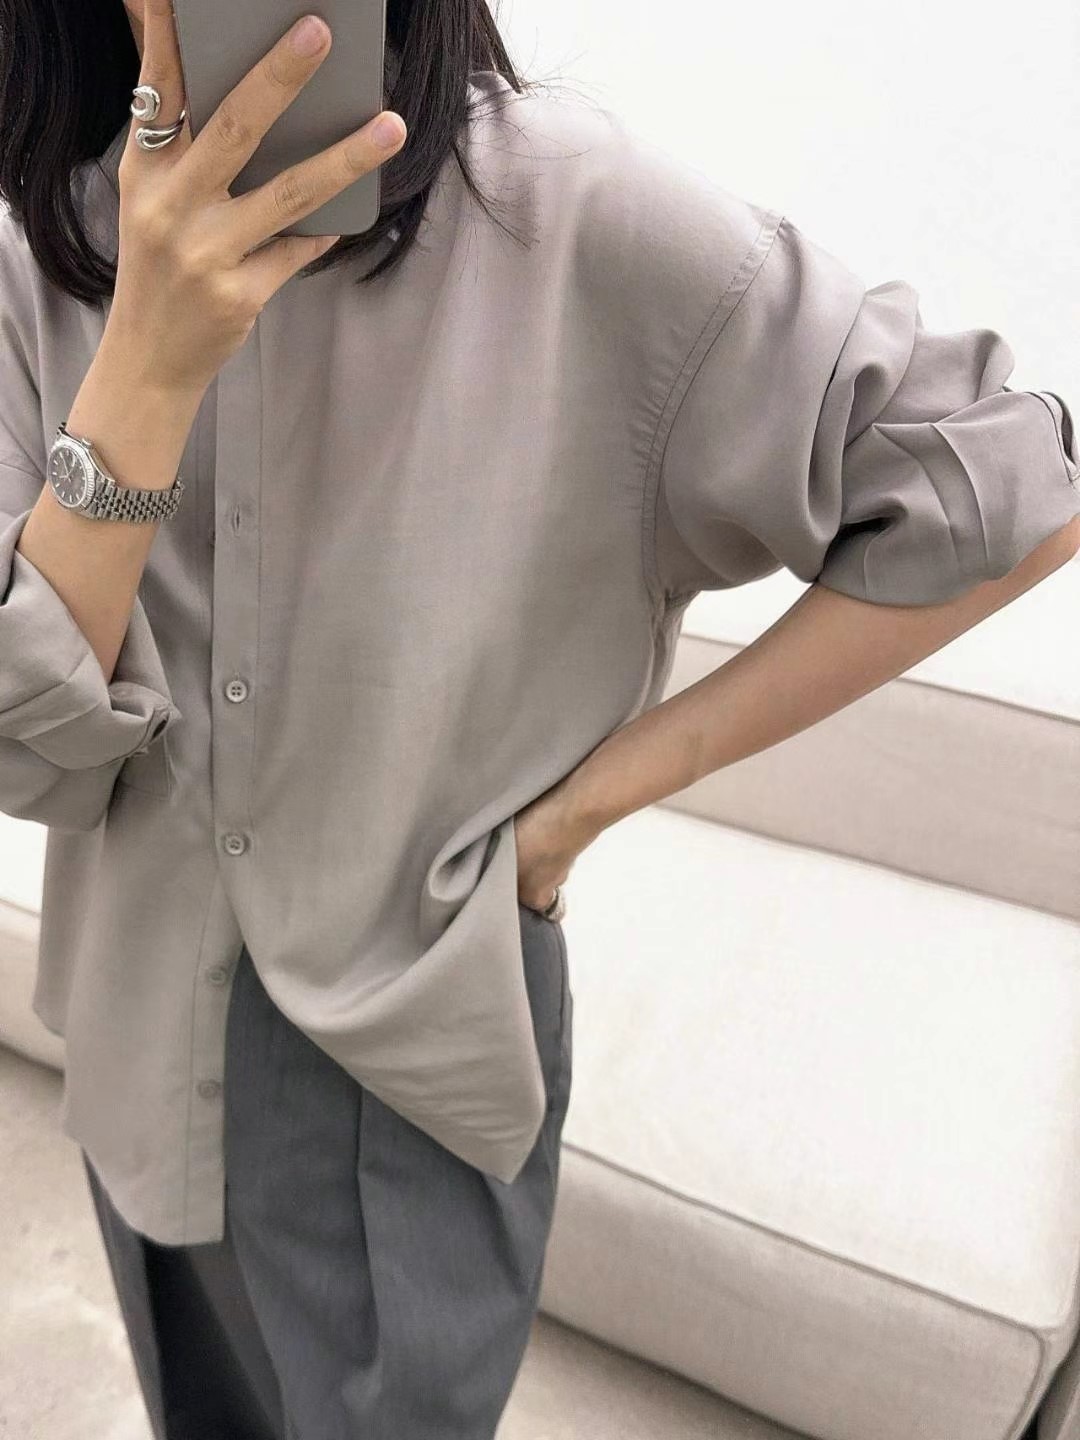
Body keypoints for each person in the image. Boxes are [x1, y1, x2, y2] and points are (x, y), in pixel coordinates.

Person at [1, 1, 1078, 1436]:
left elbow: (1005, 491)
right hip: (133, 1013)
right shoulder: (44, 241)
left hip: (414, 1038)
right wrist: (146, 359)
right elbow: (27, 750)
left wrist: (583, 807)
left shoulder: (571, 210)